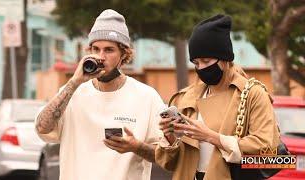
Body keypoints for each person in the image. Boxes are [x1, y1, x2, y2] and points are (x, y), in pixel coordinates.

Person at [35, 9, 165, 180]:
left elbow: (166, 155)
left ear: (124, 54)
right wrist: (74, 82)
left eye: (109, 50)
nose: (101, 57)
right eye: (95, 49)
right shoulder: (72, 92)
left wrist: (136, 147)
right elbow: (42, 128)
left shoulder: (146, 97)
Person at [155, 14, 281, 180]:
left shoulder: (252, 93)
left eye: (206, 61)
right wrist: (170, 137)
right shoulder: (187, 97)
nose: (201, 68)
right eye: (196, 63)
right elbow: (170, 165)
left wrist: (211, 136)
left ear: (224, 58)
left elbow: (266, 151)